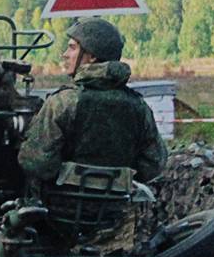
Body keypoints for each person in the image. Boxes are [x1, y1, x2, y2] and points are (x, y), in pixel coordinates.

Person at [18, 17, 166, 193]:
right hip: (115, 211)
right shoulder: (138, 106)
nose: (65, 54)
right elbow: (154, 164)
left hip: (59, 210)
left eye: (72, 47)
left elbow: (37, 163)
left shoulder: (63, 102)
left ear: (92, 56)